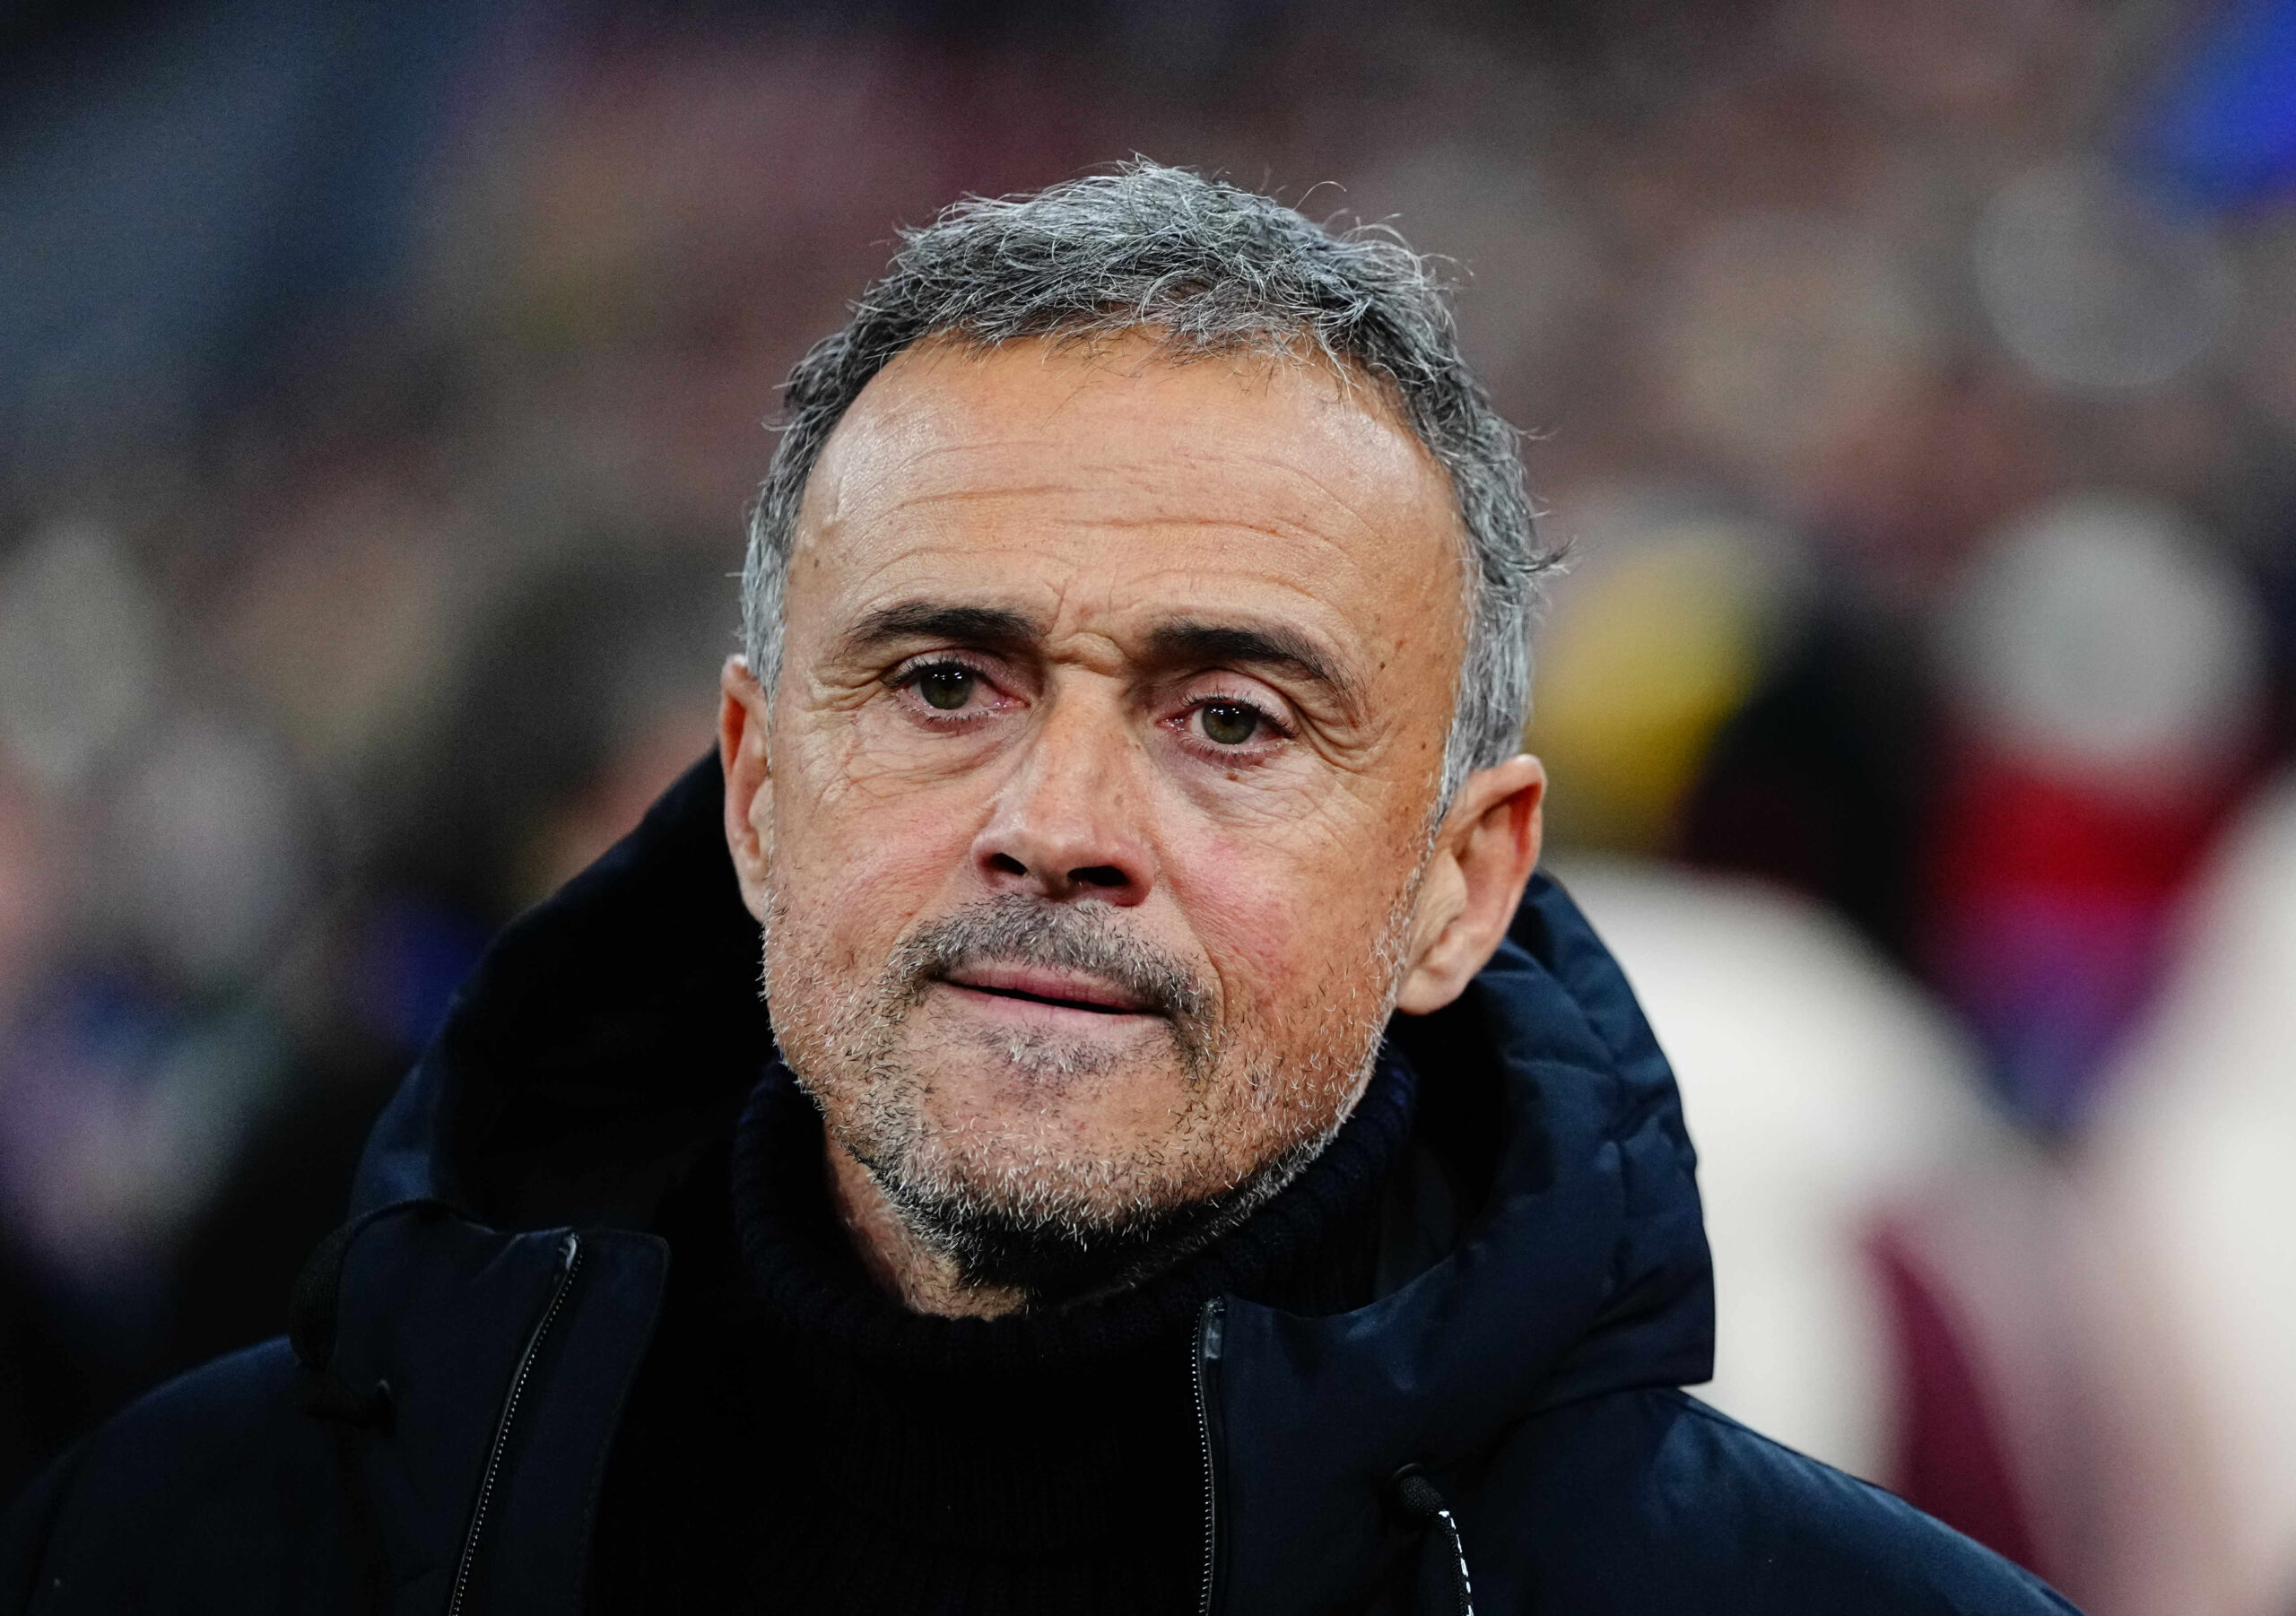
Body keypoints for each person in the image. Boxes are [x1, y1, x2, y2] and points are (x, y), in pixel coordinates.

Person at [0, 163, 2076, 1615]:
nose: (1057, 816)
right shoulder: (183, 1538)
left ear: (1461, 884)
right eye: (940, 682)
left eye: (1233, 720)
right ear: (750, 795)